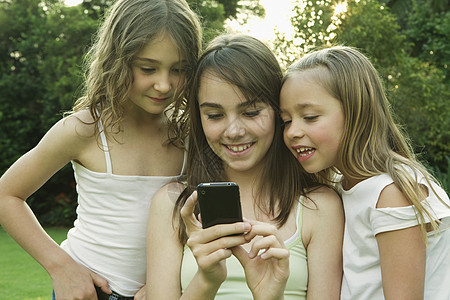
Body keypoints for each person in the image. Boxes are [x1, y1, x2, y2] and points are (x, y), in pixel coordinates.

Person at [0, 0, 202, 298]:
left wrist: (167, 280)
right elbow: (7, 194)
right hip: (89, 292)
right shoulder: (85, 129)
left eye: (179, 69)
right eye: (148, 68)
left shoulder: (190, 133)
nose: (164, 84)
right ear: (118, 59)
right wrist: (60, 267)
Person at [146, 33, 344, 300]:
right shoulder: (171, 205)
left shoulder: (319, 206)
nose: (234, 131)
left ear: (278, 112)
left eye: (251, 112)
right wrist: (207, 280)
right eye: (215, 115)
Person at [280, 45, 450, 300]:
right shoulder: (343, 184)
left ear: (357, 112)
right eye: (286, 120)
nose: (293, 131)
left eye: (310, 117)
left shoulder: (391, 193)